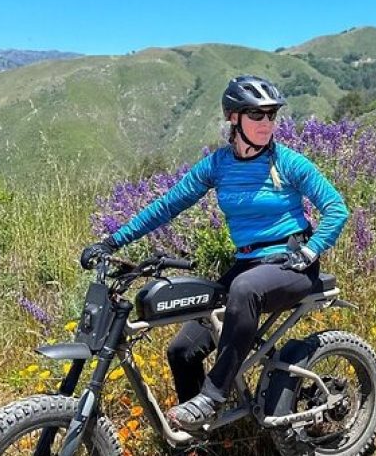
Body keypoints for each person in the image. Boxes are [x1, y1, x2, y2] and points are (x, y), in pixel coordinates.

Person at [80, 75, 349, 431]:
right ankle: (197, 440)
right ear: (234, 119)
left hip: (292, 264)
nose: (267, 123)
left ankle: (213, 396)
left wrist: (312, 250)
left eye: (272, 115)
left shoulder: (288, 163)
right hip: (247, 265)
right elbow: (167, 205)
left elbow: (336, 208)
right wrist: (113, 241)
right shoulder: (218, 165)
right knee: (182, 351)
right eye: (257, 115)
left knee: (244, 289)